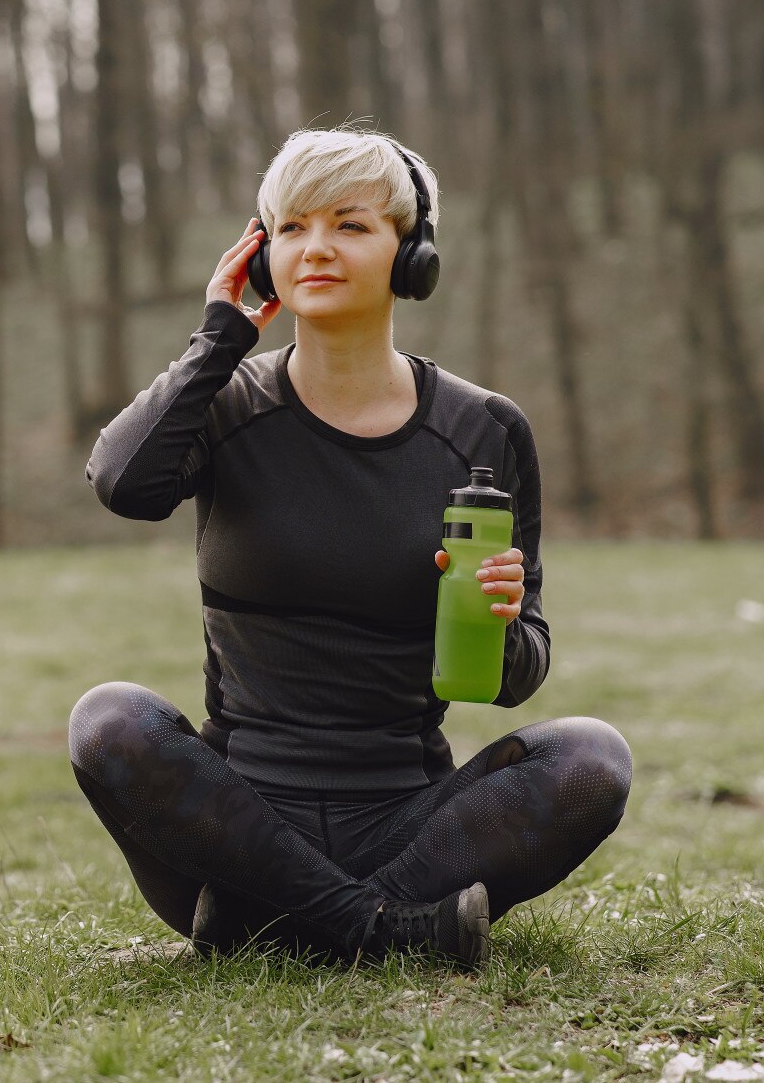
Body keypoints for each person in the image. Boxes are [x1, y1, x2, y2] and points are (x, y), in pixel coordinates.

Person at [68, 127, 632, 970]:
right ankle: (383, 931)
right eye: (290, 227)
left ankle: (275, 926)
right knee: (107, 719)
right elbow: (123, 483)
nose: (316, 248)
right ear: (262, 255)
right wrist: (219, 335)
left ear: (413, 256)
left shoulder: (484, 430)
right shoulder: (221, 406)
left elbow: (518, 677)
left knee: (593, 758)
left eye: (350, 225)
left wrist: (502, 620)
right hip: (234, 823)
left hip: (411, 822)